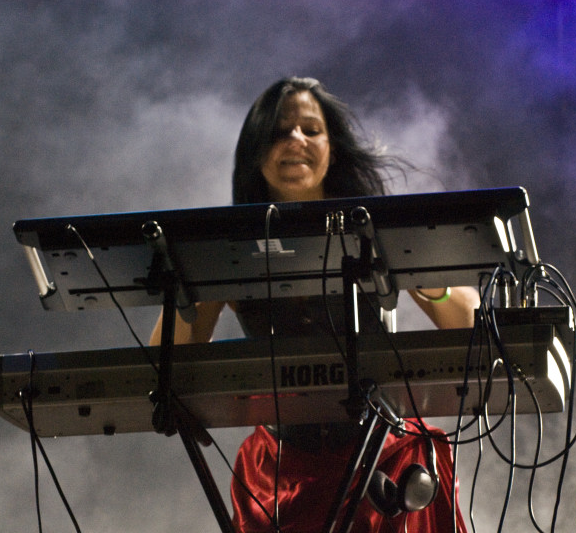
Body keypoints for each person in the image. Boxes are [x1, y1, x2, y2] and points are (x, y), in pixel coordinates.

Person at [151, 77, 477, 532]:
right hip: (278, 474)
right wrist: (191, 272)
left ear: (332, 147)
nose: (296, 141)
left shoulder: (374, 227)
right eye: (280, 131)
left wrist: (420, 271)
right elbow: (160, 363)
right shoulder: (228, 243)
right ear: (254, 150)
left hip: (380, 458)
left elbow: (468, 324)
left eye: (311, 129)